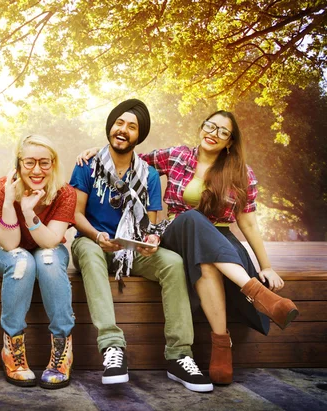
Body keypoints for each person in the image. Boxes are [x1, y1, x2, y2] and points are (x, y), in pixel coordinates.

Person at [77, 110, 299, 385]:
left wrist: (266, 265)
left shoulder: (241, 173)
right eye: (210, 126)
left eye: (222, 132)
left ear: (230, 141)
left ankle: (221, 344)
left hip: (219, 241)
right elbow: (128, 157)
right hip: (176, 231)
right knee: (192, 218)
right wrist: (97, 153)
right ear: (202, 128)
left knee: (205, 260)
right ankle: (259, 294)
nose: (213, 133)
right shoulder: (177, 156)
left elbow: (249, 224)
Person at [70, 99, 213, 392]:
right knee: (86, 249)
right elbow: (75, 214)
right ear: (110, 127)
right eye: (119, 123)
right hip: (94, 243)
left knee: (172, 262)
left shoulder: (147, 174)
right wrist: (97, 235)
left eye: (132, 127)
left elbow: (149, 223)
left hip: (130, 250)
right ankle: (112, 347)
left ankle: (179, 354)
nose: (123, 130)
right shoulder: (88, 164)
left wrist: (150, 240)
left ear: (139, 135)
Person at [0, 135, 76, 389]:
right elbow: (10, 245)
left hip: (45, 246)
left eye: (44, 163)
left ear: (54, 164)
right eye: (30, 162)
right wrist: (12, 204)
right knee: (22, 261)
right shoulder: (0, 189)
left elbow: (51, 241)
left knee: (46, 260)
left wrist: (28, 212)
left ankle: (62, 349)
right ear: (18, 163)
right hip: (0, 250)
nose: (37, 170)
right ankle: (12, 349)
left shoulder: (65, 193)